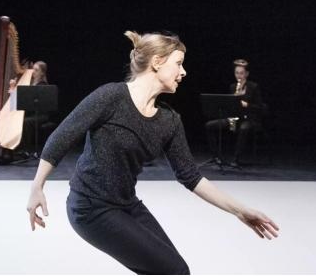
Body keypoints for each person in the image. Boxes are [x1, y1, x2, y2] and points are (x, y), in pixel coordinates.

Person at [26, 31, 279, 274]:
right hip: (90, 207)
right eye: (179, 63)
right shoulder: (111, 96)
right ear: (157, 62)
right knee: (174, 270)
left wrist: (240, 211)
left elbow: (191, 177)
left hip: (127, 205)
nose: (184, 72)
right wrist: (37, 187)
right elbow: (61, 137)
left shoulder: (169, 120)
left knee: (174, 270)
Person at [205, 59, 265, 167]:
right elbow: (230, 107)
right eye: (237, 73)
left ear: (246, 74)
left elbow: (260, 107)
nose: (239, 76)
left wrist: (247, 104)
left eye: (241, 73)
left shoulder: (253, 87)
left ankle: (236, 159)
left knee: (243, 128)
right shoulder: (233, 87)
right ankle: (216, 156)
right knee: (210, 125)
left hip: (249, 118)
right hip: (235, 119)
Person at [10, 61, 52, 156]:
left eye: (36, 70)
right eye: (33, 69)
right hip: (33, 114)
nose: (33, 72)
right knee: (21, 120)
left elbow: (29, 105)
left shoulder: (42, 85)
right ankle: (14, 147)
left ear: (42, 73)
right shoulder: (32, 83)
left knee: (25, 122)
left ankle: (25, 150)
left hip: (42, 116)